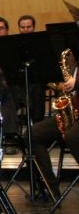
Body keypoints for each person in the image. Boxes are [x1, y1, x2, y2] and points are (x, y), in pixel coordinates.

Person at [29, 47, 79, 195]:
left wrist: (76, 83)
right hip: (72, 113)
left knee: (73, 136)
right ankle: (50, 189)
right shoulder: (70, 59)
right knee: (33, 133)